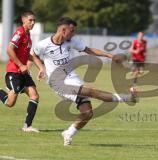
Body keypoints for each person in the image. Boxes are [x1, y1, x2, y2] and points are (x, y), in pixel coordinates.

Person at [31, 17, 137, 146]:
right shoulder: (43, 44)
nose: (74, 33)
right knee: (90, 91)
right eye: (72, 30)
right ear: (63, 30)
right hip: (58, 82)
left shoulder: (72, 41)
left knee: (87, 113)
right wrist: (41, 68)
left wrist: (111, 56)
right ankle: (127, 97)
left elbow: (89, 50)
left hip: (72, 78)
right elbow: (33, 55)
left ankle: (68, 133)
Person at [0, 11, 40, 132]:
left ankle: (27, 126)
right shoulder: (20, 32)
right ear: (24, 20)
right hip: (14, 72)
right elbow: (9, 50)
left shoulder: (28, 36)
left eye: (34, 20)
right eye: (30, 20)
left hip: (23, 73)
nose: (33, 23)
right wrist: (21, 65)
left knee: (35, 95)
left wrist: (41, 67)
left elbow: (29, 55)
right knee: (10, 103)